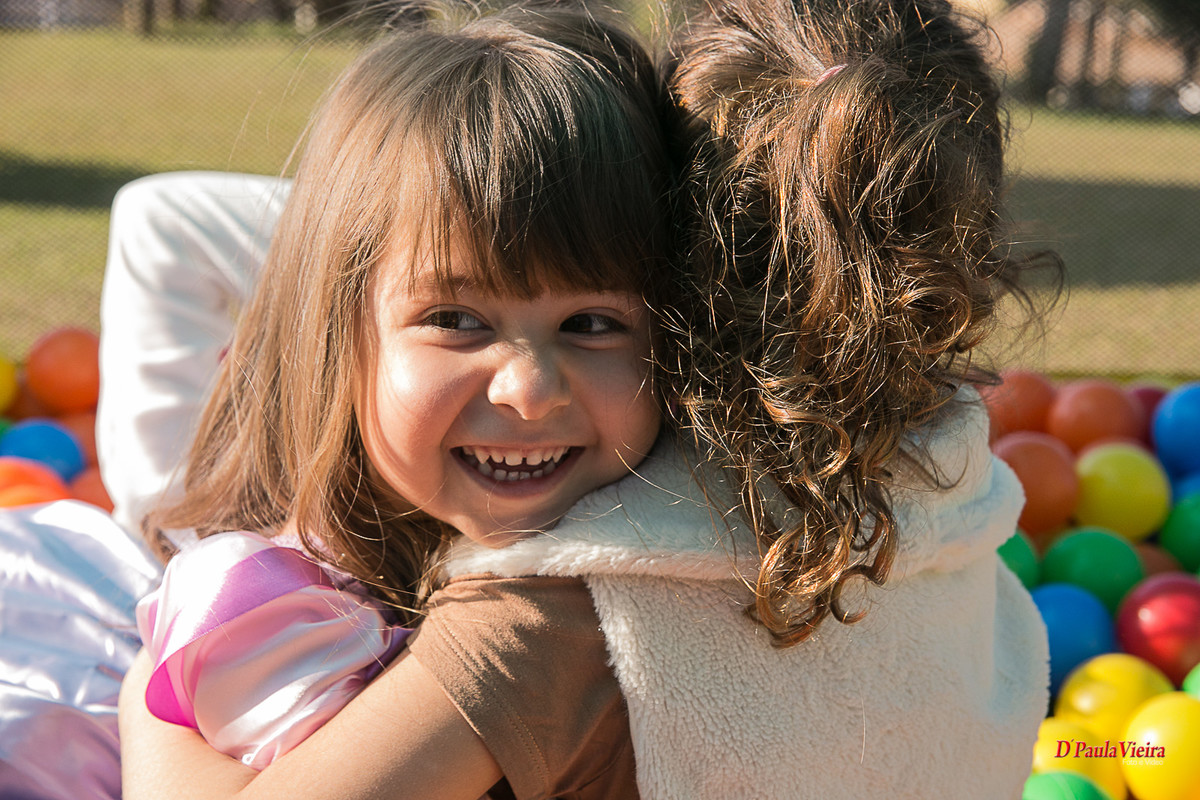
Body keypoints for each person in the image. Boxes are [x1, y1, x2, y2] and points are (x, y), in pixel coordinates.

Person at [117, 1, 1051, 798]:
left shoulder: (556, 617)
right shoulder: (938, 463)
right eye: (457, 319)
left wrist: (145, 703)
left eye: (597, 323)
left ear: (679, 293)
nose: (526, 388)